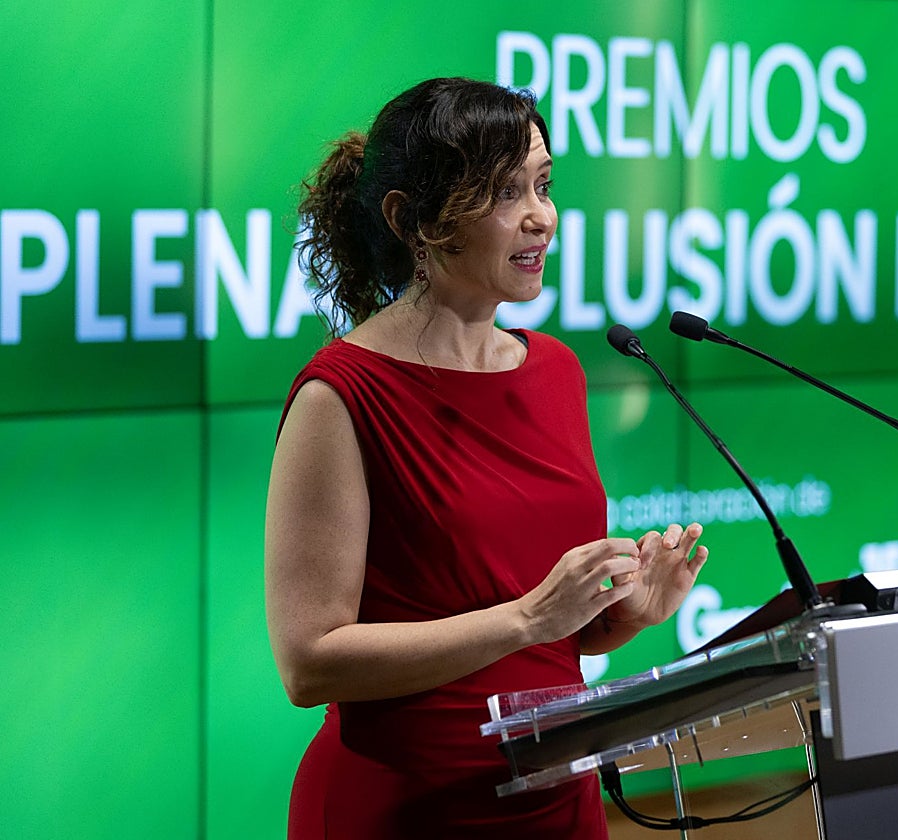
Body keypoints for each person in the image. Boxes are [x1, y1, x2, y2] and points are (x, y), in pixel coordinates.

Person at [264, 77, 708, 839]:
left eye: (544, 184)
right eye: (506, 192)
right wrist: (530, 616)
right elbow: (310, 662)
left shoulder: (557, 370)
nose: (542, 216)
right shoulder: (340, 396)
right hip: (405, 810)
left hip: (555, 803)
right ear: (412, 219)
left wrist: (621, 618)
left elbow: (539, 637)